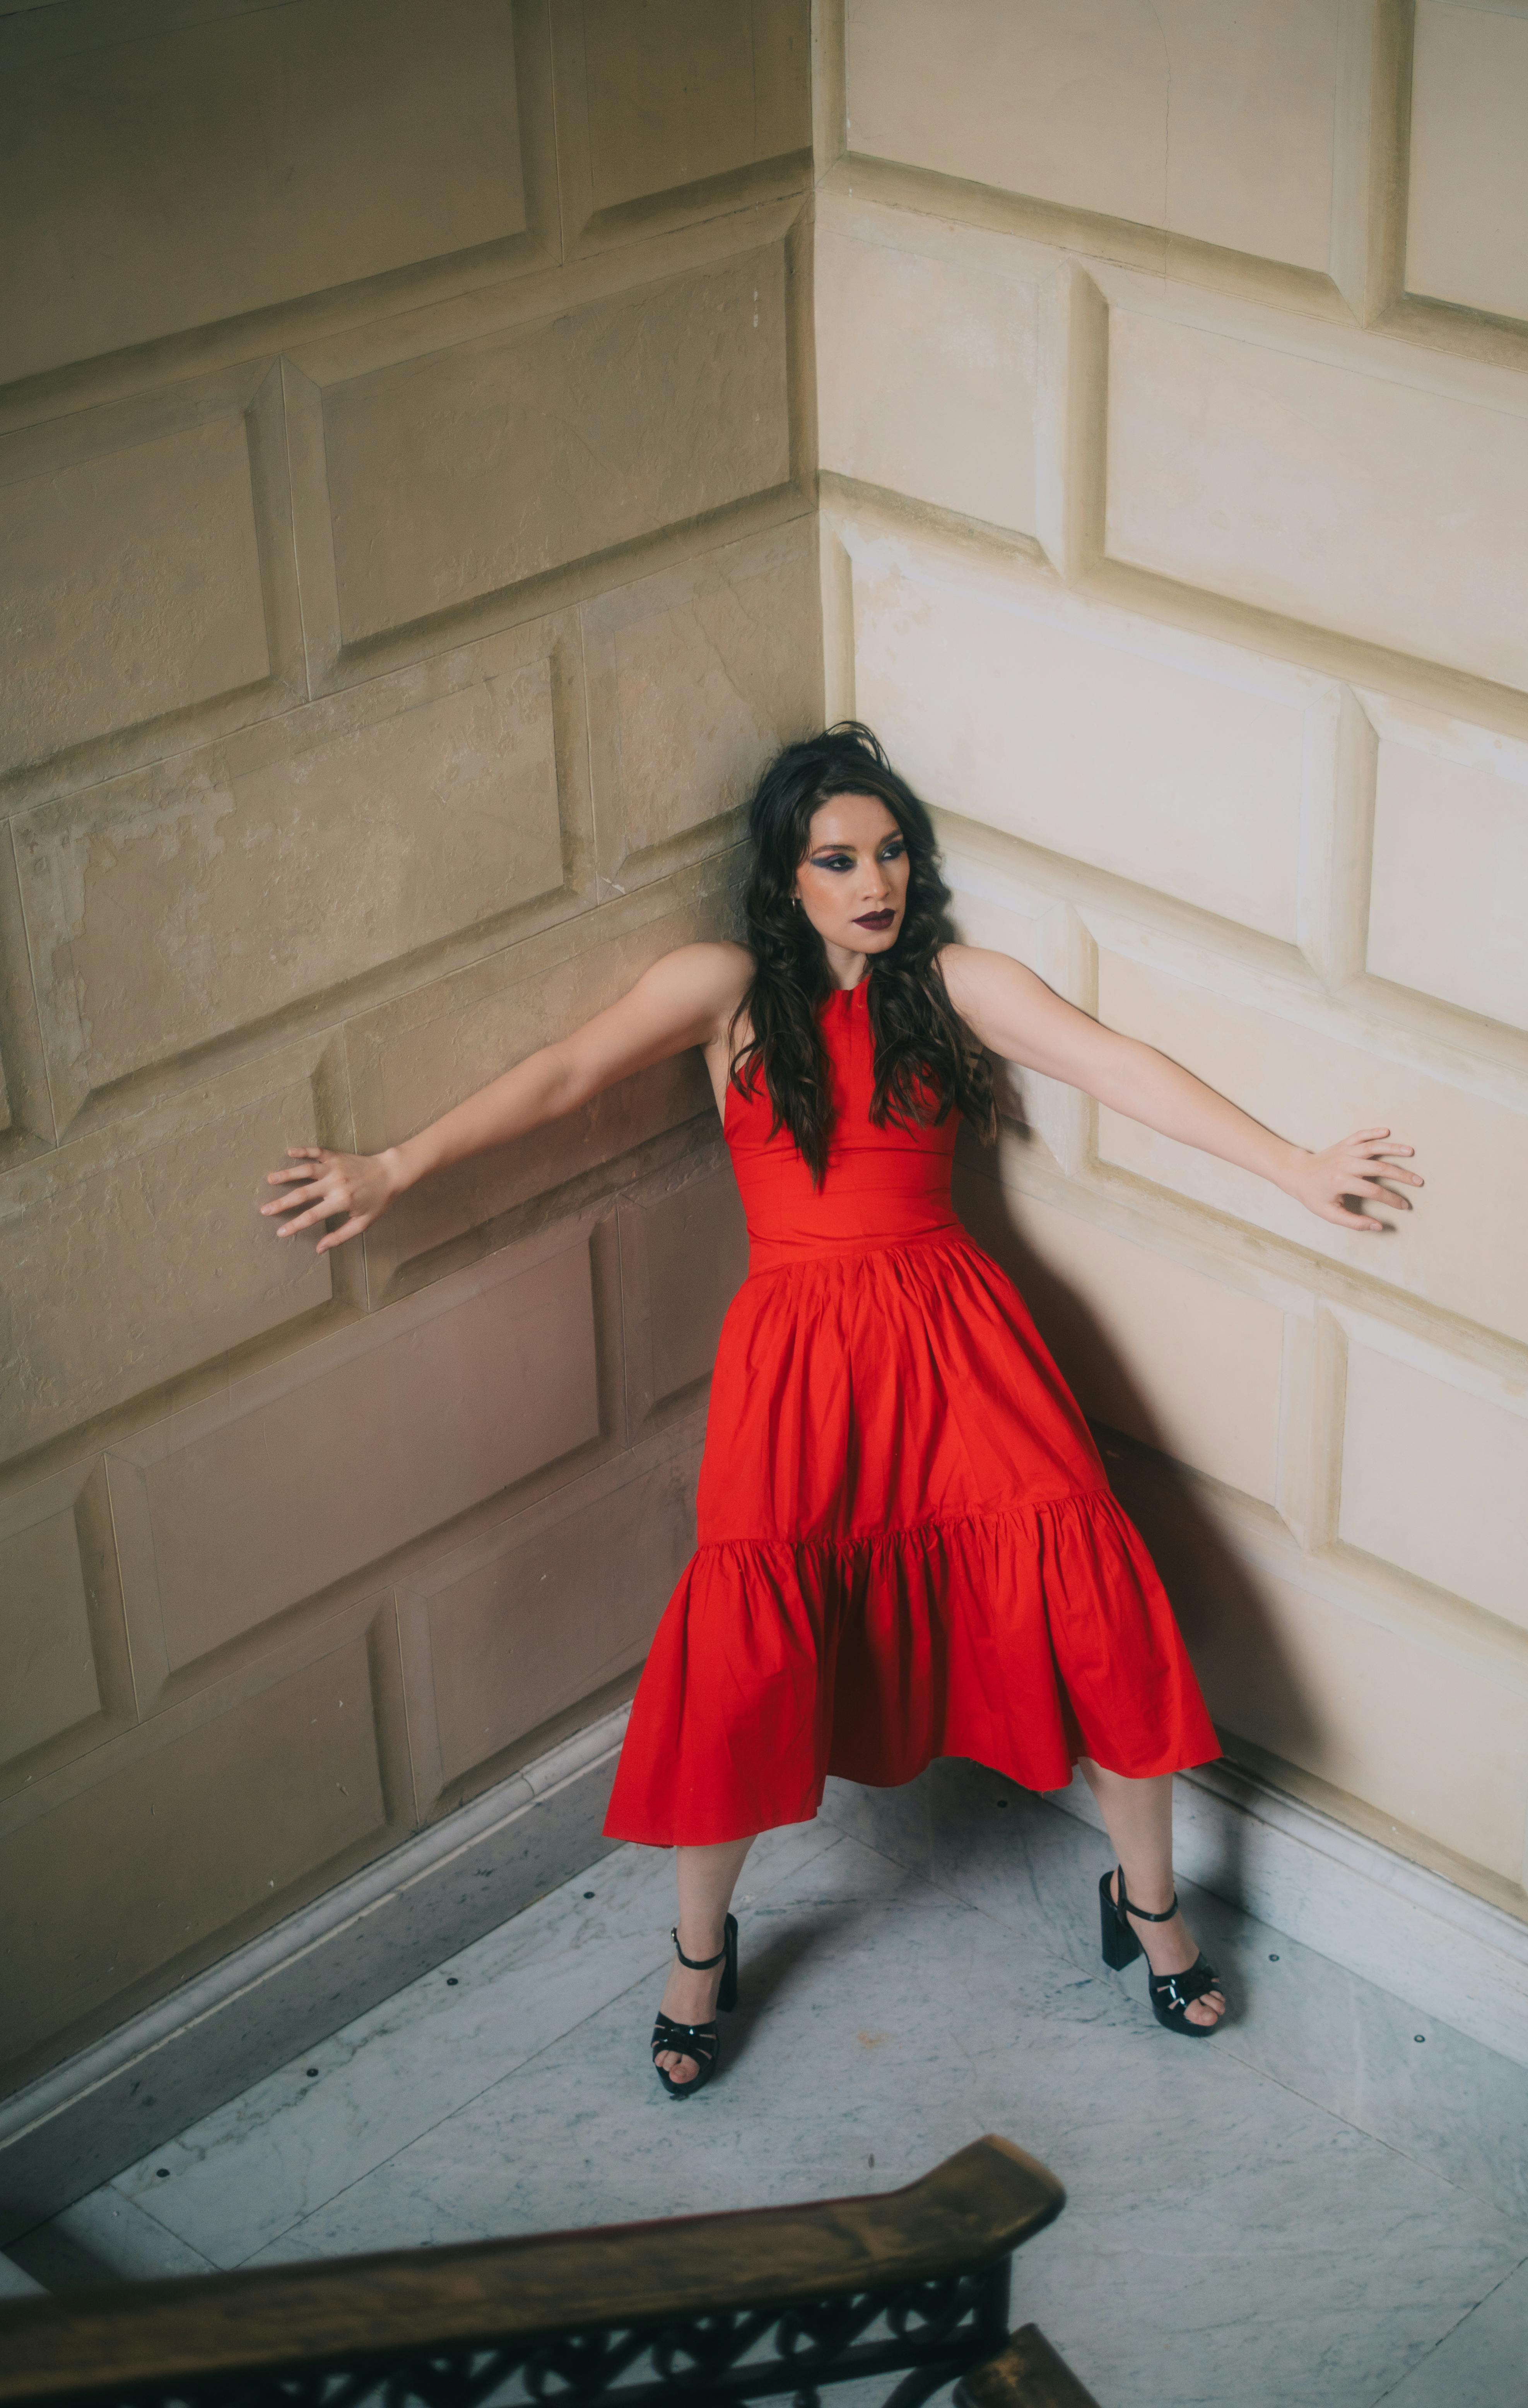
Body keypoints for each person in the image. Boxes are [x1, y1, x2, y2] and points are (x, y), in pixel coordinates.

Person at [263, 723, 1420, 2097]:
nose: (874, 880)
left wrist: (1292, 1167)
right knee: (749, 1651)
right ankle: (702, 1954)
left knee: (1092, 1606)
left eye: (891, 853)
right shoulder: (725, 989)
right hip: (800, 1354)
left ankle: (1149, 1905)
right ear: (786, 874)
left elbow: (1116, 1063)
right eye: (838, 858)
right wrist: (397, 1163)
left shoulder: (952, 982)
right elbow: (567, 1073)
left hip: (959, 1338)